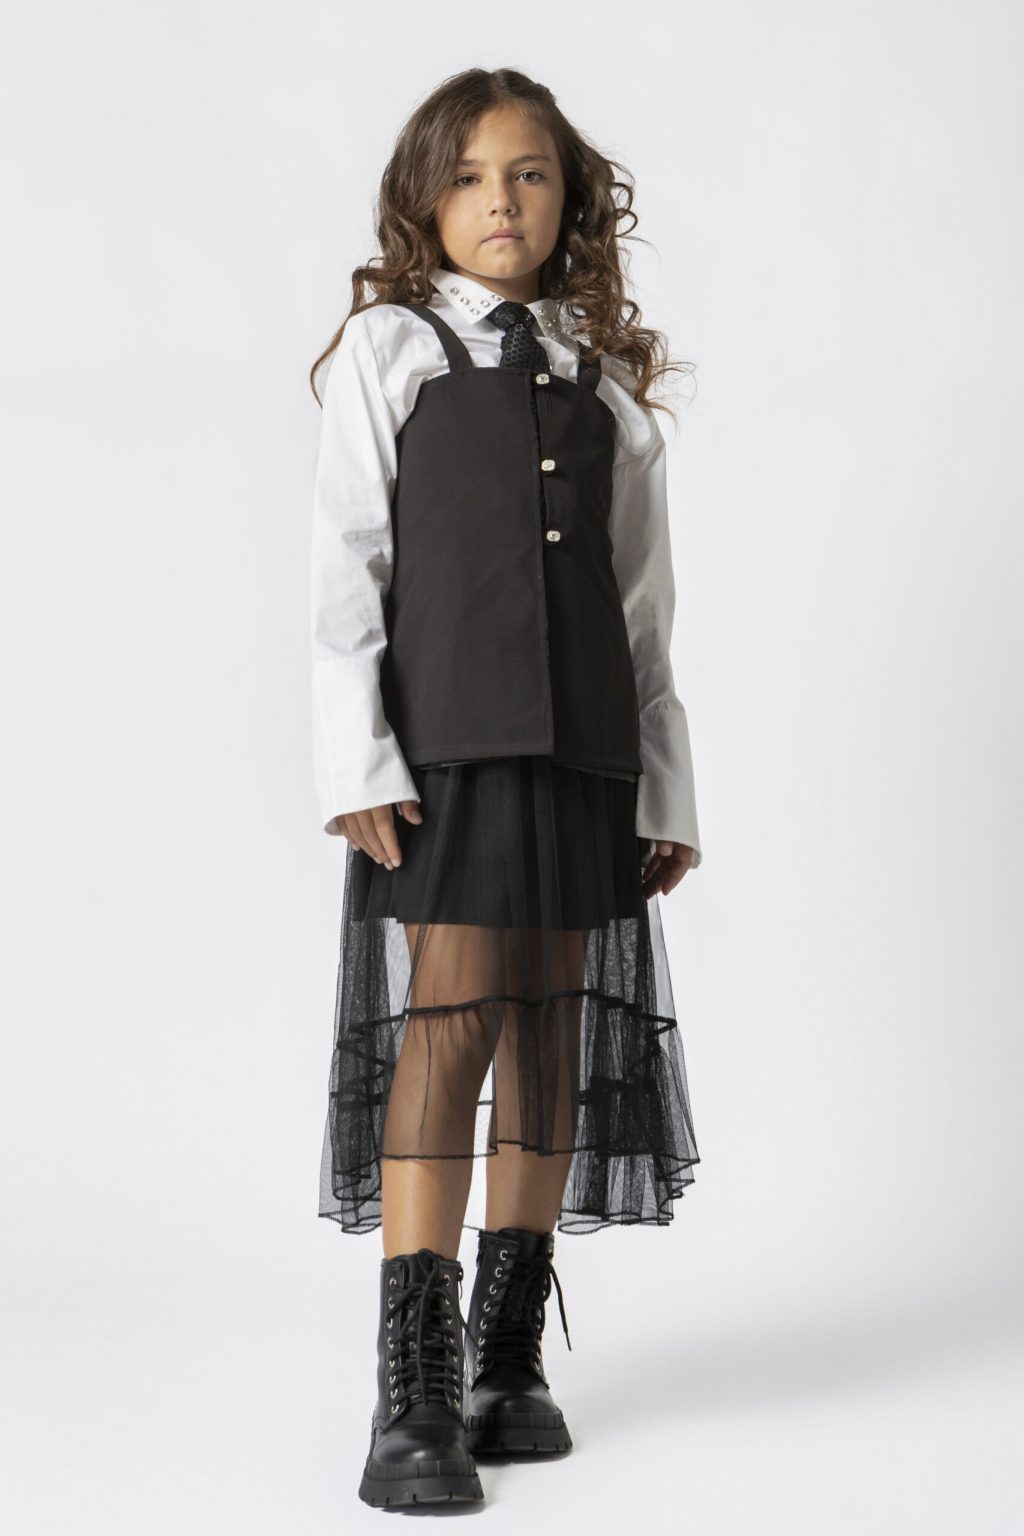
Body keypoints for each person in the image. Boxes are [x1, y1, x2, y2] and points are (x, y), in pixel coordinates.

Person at [308, 66, 704, 1509]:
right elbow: (347, 564)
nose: (501, 202)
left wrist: (665, 786)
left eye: (530, 175)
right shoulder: (391, 349)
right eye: (471, 177)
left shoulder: (605, 382)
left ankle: (507, 1357)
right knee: (454, 1015)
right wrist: (356, 758)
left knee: (547, 1027)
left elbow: (642, 606)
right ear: (426, 199)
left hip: (586, 750)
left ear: (568, 199)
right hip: (451, 752)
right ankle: (412, 1385)